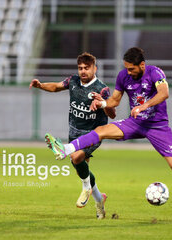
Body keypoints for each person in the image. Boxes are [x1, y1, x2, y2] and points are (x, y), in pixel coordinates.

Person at [45, 47, 172, 217]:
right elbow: (114, 100)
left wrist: (144, 106)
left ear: (142, 65)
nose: (128, 72)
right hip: (135, 123)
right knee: (101, 130)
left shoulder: (155, 73)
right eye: (126, 68)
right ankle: (66, 149)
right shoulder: (123, 76)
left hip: (157, 126)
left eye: (131, 69)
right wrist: (102, 104)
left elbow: (164, 93)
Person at [29, 52, 116, 219]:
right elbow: (56, 87)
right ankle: (100, 199)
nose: (83, 71)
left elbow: (111, 114)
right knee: (81, 168)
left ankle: (85, 188)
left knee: (76, 158)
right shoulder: (73, 81)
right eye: (80, 68)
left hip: (93, 133)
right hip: (74, 132)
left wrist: (102, 103)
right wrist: (40, 85)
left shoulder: (102, 89)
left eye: (86, 68)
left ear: (94, 68)